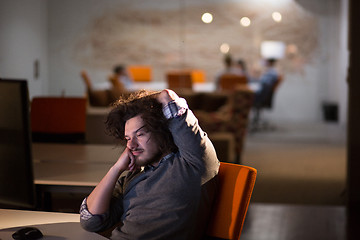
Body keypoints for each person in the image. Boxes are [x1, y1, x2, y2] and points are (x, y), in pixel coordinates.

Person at [80, 89, 220, 239]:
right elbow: (90, 221)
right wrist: (116, 169)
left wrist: (138, 104)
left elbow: (168, 97)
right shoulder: (132, 178)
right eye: (128, 138)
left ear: (162, 130)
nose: (131, 145)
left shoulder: (192, 162)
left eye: (140, 134)